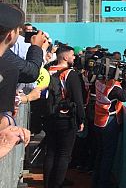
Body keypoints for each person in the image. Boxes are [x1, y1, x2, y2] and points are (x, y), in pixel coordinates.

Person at [43, 45, 86, 188]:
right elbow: (78, 100)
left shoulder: (47, 71)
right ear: (65, 57)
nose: (74, 58)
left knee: (50, 152)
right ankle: (58, 184)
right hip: (66, 118)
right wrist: (81, 119)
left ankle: (48, 184)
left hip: (49, 116)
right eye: (72, 55)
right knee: (63, 154)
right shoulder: (70, 74)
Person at [92, 65, 126, 188]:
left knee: (100, 154)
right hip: (108, 122)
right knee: (108, 156)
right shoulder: (113, 87)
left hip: (98, 121)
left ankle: (96, 181)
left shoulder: (98, 82)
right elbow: (124, 97)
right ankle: (103, 183)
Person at [0, 4, 46, 116]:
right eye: (18, 30)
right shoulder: (8, 68)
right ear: (11, 34)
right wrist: (36, 48)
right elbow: (30, 72)